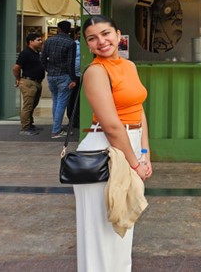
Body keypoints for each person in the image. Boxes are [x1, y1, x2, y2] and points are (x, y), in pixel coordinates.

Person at [74, 15, 152, 272]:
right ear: (88, 45)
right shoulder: (95, 71)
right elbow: (111, 126)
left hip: (127, 146)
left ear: (118, 35)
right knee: (100, 231)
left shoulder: (128, 66)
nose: (101, 41)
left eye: (106, 33)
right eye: (92, 38)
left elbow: (138, 111)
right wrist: (134, 164)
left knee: (122, 226)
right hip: (102, 152)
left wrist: (145, 153)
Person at [40, 20, 77, 138]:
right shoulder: (71, 43)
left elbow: (42, 58)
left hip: (51, 76)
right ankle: (56, 130)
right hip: (65, 76)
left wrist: (48, 69)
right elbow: (70, 62)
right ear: (69, 30)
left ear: (58, 29)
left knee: (56, 102)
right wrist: (73, 79)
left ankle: (56, 128)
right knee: (61, 103)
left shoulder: (49, 41)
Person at [12, 32, 45, 135]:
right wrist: (18, 79)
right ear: (31, 42)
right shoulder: (25, 53)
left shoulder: (36, 52)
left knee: (33, 105)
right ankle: (25, 128)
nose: (41, 41)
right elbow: (16, 68)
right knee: (28, 106)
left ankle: (30, 124)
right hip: (28, 82)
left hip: (37, 82)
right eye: (38, 40)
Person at [66, 26, 82, 128]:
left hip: (84, 76)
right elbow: (70, 61)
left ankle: (78, 119)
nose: (80, 35)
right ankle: (72, 120)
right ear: (75, 34)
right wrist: (72, 77)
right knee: (72, 99)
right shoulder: (73, 45)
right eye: (79, 33)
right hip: (74, 76)